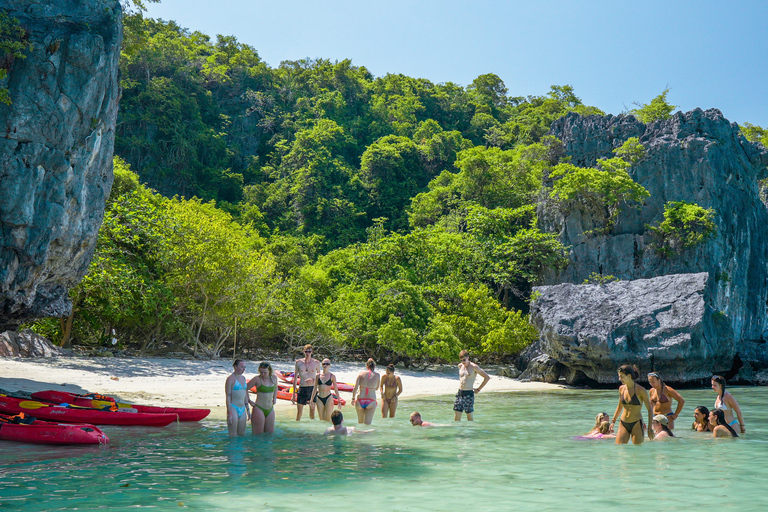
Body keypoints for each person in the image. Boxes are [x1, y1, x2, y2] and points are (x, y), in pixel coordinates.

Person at [611, 364, 654, 444]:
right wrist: (613, 421)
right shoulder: (621, 389)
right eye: (619, 376)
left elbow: (650, 409)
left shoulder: (641, 390)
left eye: (622, 376)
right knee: (619, 449)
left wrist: (650, 428)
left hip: (636, 423)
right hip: (623, 422)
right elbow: (619, 406)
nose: (620, 379)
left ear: (629, 376)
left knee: (636, 452)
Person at [454, 350, 490, 421]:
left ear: (468, 357)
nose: (463, 362)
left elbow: (487, 377)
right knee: (457, 414)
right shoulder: (460, 366)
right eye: (461, 360)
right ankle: (457, 431)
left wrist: (478, 389)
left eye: (464, 360)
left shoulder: (474, 367)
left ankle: (471, 430)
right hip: (460, 393)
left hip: (469, 393)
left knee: (469, 416)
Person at [246, 362, 278, 434]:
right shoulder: (257, 379)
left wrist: (274, 398)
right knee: (258, 435)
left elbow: (276, 387)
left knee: (270, 434)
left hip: (270, 408)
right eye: (261, 372)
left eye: (265, 373)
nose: (263, 374)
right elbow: (245, 388)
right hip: (259, 408)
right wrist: (249, 400)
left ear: (269, 371)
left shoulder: (274, 378)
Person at [292, 344, 321, 421]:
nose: (308, 353)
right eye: (306, 351)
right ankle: (296, 431)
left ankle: (311, 431)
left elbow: (320, 378)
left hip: (312, 389)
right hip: (302, 388)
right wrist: (293, 394)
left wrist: (313, 380)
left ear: (312, 352)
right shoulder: (299, 362)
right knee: (299, 414)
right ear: (304, 352)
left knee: (312, 414)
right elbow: (295, 378)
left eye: (309, 351)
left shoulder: (316, 363)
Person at [225, 359, 250, 437]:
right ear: (235, 367)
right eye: (242, 367)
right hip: (233, 408)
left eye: (245, 367)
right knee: (233, 436)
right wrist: (229, 413)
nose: (243, 369)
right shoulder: (230, 379)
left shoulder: (243, 378)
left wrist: (248, 409)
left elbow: (245, 393)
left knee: (242, 435)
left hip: (242, 408)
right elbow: (228, 396)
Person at [351, 358, 380, 425]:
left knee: (360, 423)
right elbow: (377, 388)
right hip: (371, 401)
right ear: (374, 366)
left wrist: (353, 399)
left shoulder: (361, 374)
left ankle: (359, 435)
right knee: (367, 425)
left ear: (367, 366)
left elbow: (355, 387)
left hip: (360, 400)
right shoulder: (377, 375)